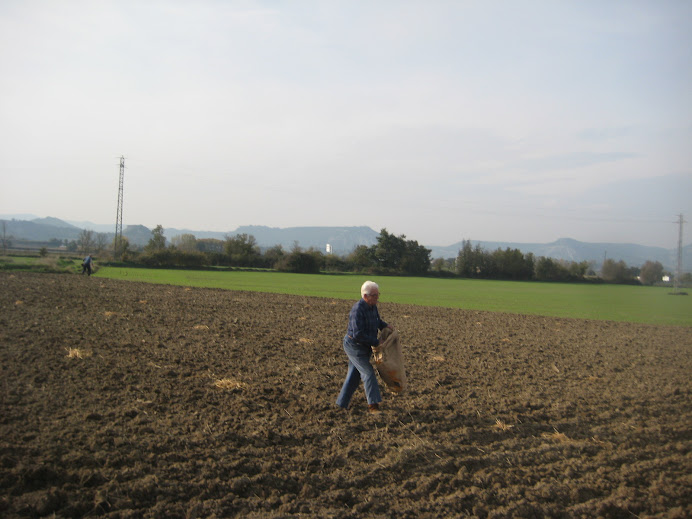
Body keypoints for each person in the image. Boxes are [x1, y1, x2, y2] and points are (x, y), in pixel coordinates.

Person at [336, 280, 393, 414]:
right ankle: (373, 406)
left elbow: (376, 320)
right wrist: (376, 342)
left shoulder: (373, 306)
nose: (377, 298)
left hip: (365, 346)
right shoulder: (357, 310)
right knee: (368, 372)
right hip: (354, 347)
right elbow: (357, 334)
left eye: (378, 294)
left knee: (354, 376)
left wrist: (385, 326)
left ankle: (341, 404)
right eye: (374, 295)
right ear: (365, 296)